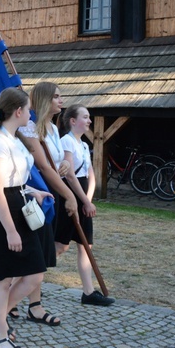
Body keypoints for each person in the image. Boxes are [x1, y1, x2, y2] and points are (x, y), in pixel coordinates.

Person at [0, 87, 52, 348]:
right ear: (18, 112)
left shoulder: (15, 139)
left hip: (19, 203)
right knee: (2, 280)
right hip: (0, 213)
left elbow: (15, 180)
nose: (31, 113)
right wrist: (10, 231)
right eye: (28, 109)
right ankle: (0, 336)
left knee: (34, 274)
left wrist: (32, 191)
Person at [16, 82, 94, 322]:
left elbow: (58, 165)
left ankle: (28, 303)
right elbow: (42, 167)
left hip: (55, 191)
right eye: (57, 97)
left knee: (42, 249)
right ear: (44, 100)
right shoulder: (30, 128)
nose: (61, 101)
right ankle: (21, 302)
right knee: (35, 249)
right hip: (39, 192)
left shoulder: (51, 128)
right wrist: (70, 195)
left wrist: (65, 165)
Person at [59, 104, 114, 306]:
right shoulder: (66, 141)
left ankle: (88, 292)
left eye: (89, 117)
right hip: (70, 195)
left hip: (82, 195)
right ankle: (26, 281)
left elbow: (90, 174)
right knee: (60, 246)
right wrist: (83, 201)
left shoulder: (82, 144)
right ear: (73, 121)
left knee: (85, 245)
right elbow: (70, 176)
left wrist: (88, 200)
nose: (89, 120)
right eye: (85, 117)